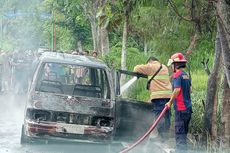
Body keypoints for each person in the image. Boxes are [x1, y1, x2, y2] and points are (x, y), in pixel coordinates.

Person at [134, 56, 172, 140]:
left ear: (150, 61)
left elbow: (136, 68)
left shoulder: (152, 66)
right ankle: (165, 136)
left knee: (159, 117)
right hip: (168, 96)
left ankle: (161, 137)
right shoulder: (164, 67)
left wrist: (146, 65)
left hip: (159, 97)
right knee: (166, 116)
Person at [166, 52, 192, 153]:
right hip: (188, 109)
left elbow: (177, 90)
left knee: (180, 136)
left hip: (181, 110)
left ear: (175, 64)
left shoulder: (177, 75)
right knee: (183, 135)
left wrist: (170, 102)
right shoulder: (185, 75)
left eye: (172, 64)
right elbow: (190, 90)